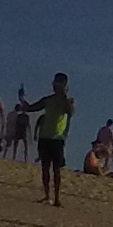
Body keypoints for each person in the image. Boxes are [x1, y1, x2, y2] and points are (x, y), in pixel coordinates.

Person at [33, 73, 73, 204]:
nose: (57, 86)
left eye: (60, 84)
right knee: (45, 168)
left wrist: (65, 96)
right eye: (56, 83)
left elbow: (71, 111)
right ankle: (47, 195)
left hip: (58, 138)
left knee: (57, 170)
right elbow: (32, 107)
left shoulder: (68, 101)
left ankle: (57, 197)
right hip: (45, 137)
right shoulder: (47, 100)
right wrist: (22, 100)